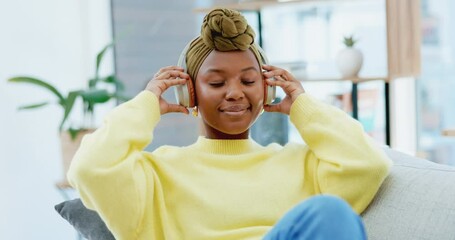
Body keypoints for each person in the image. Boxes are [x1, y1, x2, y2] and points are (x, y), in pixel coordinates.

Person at [68, 8, 392, 240]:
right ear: (188, 93)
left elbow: (368, 163)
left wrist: (303, 108)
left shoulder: (298, 164)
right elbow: (89, 168)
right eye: (217, 83)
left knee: (331, 213)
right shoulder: (156, 174)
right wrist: (147, 104)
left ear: (267, 88)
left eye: (249, 80)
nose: (235, 93)